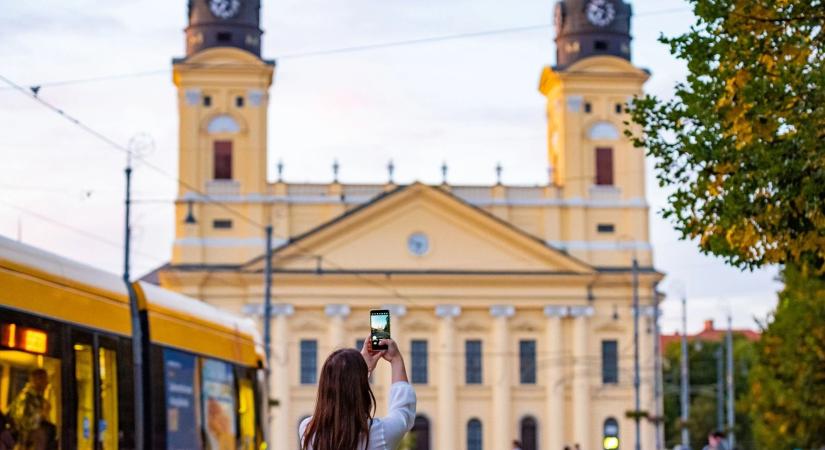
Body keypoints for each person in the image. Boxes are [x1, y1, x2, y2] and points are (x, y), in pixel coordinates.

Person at [299, 337, 416, 450]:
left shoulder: (307, 430)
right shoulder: (379, 434)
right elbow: (403, 411)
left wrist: (361, 370)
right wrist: (396, 359)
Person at [7, 369, 56, 450]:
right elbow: (22, 423)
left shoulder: (39, 399)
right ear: (36, 380)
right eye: (44, 379)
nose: (47, 383)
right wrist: (41, 414)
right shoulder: (25, 398)